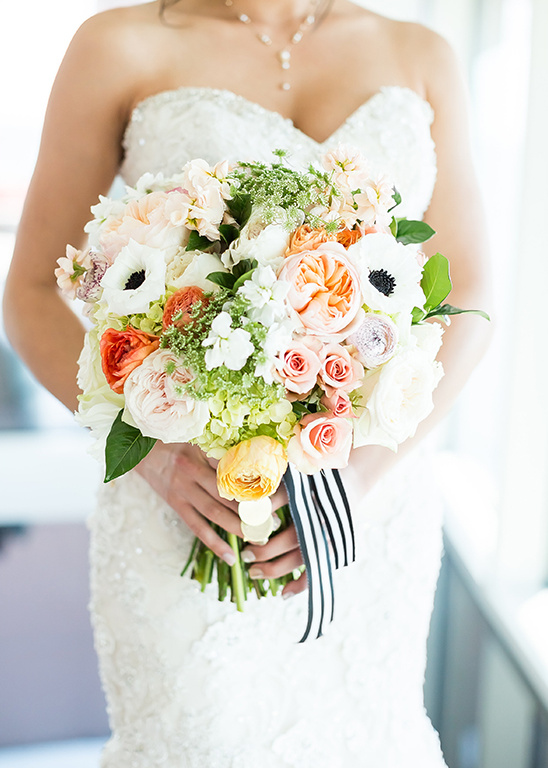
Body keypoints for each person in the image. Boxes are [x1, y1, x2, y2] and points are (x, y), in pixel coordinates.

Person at [3, 1, 491, 765]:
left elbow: (471, 300)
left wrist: (355, 483)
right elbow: (32, 290)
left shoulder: (421, 54)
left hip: (370, 510)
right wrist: (155, 455)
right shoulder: (117, 44)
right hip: (189, 504)